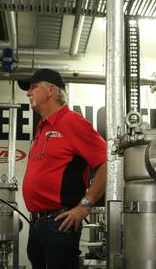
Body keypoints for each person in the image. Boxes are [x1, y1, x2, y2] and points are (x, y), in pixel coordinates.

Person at [19, 69, 107, 269]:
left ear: (51, 90)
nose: (28, 93)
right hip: (37, 222)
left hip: (59, 222)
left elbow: (107, 163)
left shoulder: (73, 122)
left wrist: (85, 205)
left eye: (33, 87)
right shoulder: (42, 126)